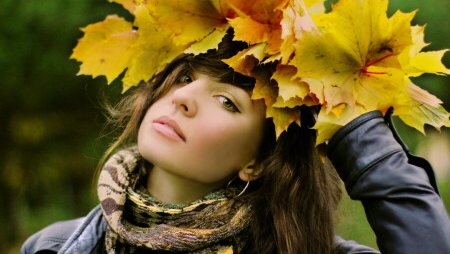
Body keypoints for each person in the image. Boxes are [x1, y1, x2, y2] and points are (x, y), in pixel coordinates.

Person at [20, 33, 450, 254]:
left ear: (258, 161)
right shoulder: (53, 247)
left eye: (225, 101)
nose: (183, 98)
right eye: (186, 77)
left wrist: (358, 133)